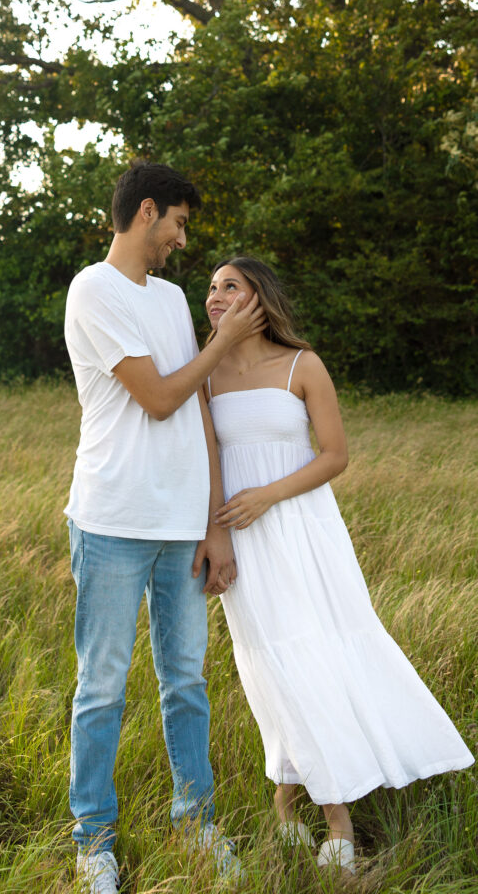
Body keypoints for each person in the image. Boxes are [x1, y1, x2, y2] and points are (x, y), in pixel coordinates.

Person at [204, 256, 475, 878]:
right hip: (242, 543)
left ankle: (334, 823)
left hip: (303, 530)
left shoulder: (302, 364)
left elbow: (335, 456)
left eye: (229, 287)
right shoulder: (206, 374)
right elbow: (208, 458)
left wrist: (268, 494)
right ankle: (290, 798)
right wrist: (217, 530)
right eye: (211, 290)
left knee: (322, 657)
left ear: (259, 299)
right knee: (273, 666)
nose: (215, 297)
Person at [63, 164, 265, 893]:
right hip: (114, 518)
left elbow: (198, 412)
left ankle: (197, 821)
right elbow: (155, 397)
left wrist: (214, 524)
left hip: (183, 521)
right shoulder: (93, 288)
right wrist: (223, 341)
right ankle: (93, 840)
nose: (182, 240)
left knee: (185, 681)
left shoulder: (175, 298)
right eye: (177, 222)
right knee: (103, 687)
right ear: (144, 212)